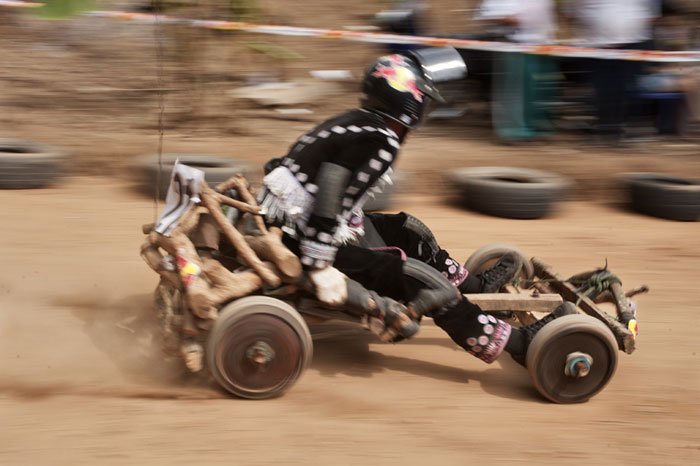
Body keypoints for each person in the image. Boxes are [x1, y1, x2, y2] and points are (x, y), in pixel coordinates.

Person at [254, 50, 576, 366]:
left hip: (302, 227)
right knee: (426, 283)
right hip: (304, 240)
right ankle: (518, 343)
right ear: (409, 99)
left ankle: (476, 286)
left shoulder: (360, 122)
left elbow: (293, 168)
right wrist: (319, 264)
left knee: (407, 231)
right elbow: (332, 181)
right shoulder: (380, 139)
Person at [475, 0, 559, 143]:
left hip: (543, 45)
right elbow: (485, 14)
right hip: (518, 45)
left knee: (539, 91)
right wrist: (508, 20)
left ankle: (537, 128)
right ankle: (513, 132)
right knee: (518, 92)